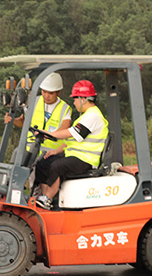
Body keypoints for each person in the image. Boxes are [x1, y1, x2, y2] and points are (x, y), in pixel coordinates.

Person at [35, 80, 109, 210]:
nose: (74, 102)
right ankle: (43, 195)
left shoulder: (93, 116)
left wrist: (50, 133)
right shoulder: (86, 116)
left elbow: (71, 133)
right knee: (43, 163)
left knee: (57, 166)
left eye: (75, 99)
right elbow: (73, 140)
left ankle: (48, 198)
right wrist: (55, 151)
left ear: (83, 99)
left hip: (86, 159)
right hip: (76, 156)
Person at [4, 72, 72, 155]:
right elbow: (23, 122)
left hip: (51, 153)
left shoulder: (65, 108)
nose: (46, 96)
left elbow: (64, 128)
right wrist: (12, 120)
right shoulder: (33, 101)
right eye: (44, 91)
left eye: (50, 93)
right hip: (30, 150)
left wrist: (48, 135)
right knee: (16, 153)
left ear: (58, 92)